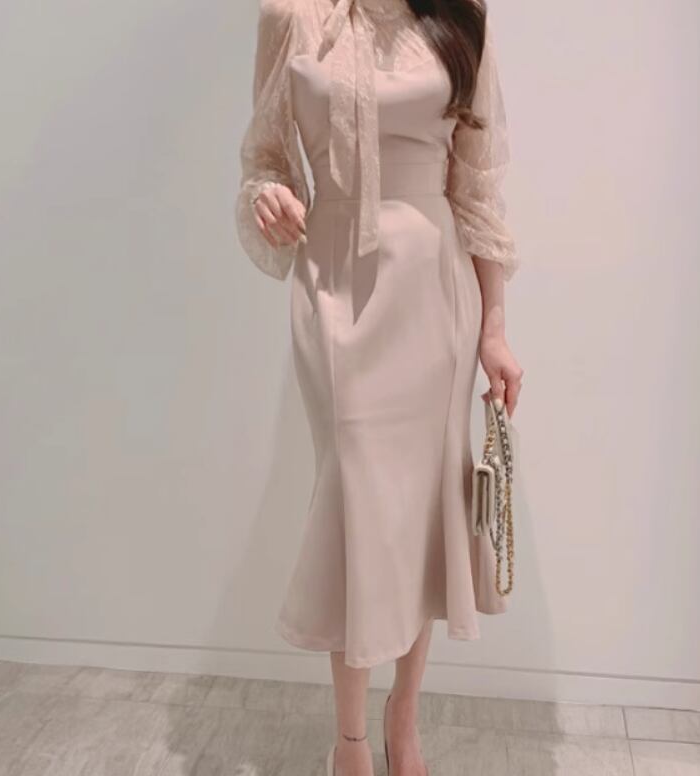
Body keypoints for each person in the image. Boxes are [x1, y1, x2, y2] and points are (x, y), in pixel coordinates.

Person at [235, 0, 523, 772]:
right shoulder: (293, 16)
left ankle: (403, 715)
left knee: (420, 512)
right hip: (334, 284)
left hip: (434, 288)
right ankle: (349, 741)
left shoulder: (462, 15)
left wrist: (494, 329)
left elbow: (478, 185)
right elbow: (264, 156)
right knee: (358, 508)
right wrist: (268, 194)